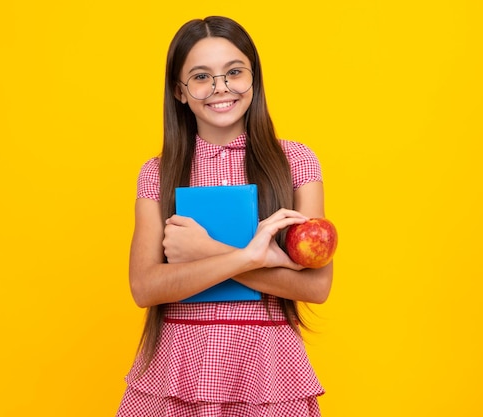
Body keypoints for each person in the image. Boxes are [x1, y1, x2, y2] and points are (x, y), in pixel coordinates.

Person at [116, 15, 333, 417]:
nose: (221, 88)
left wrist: (205, 250)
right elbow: (145, 287)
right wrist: (251, 257)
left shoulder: (296, 162)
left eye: (234, 72)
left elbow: (316, 286)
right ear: (179, 92)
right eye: (201, 77)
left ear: (254, 78)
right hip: (176, 368)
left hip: (266, 368)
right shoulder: (157, 173)